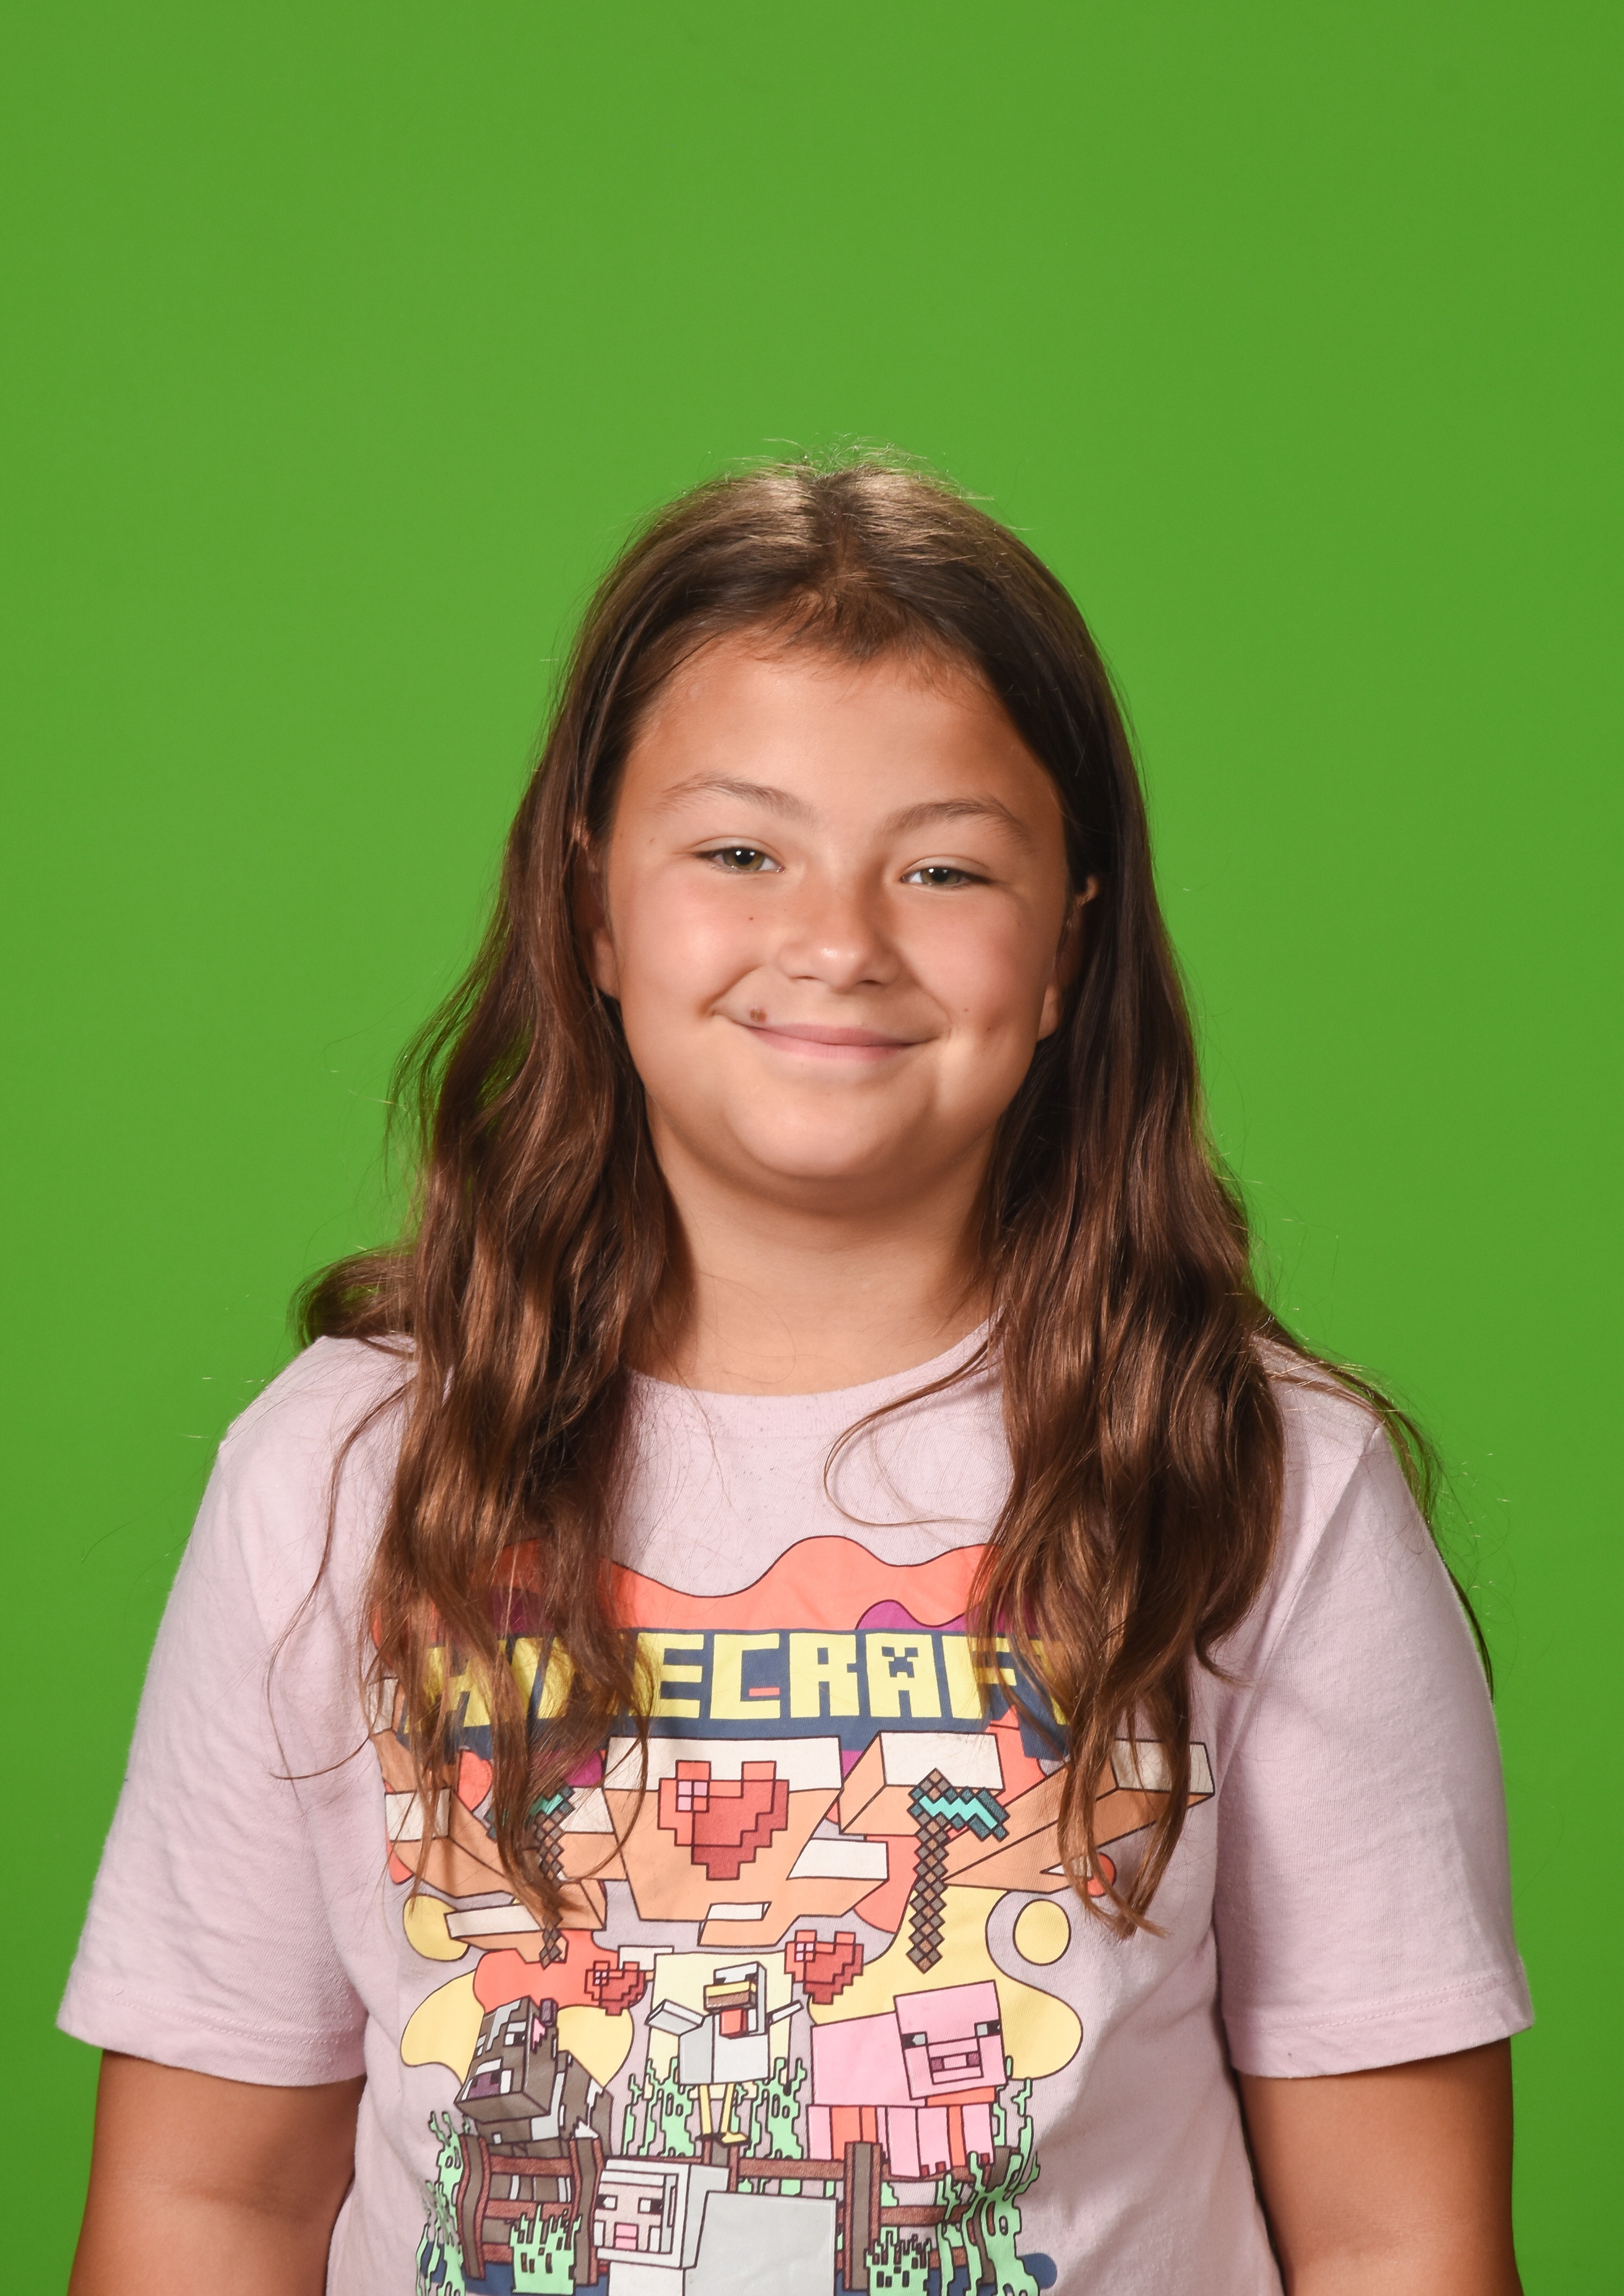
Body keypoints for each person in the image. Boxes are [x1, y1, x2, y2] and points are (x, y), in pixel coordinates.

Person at [62, 461, 1530, 2296]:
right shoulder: (342, 1470)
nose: (839, 940)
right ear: (594, 909)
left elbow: (1399, 2238)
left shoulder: (1263, 1480)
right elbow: (210, 2208)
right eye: (741, 853)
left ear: (1068, 945)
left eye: (945, 868)